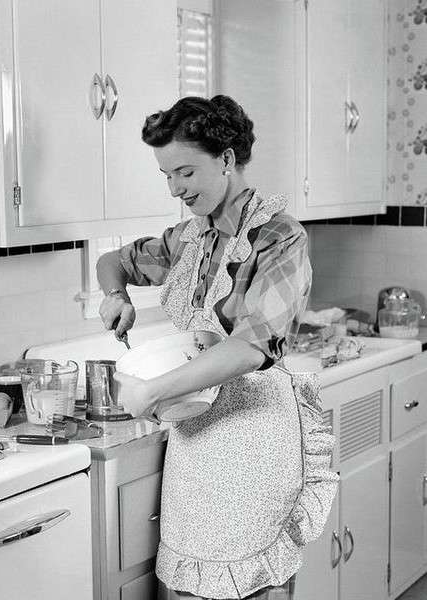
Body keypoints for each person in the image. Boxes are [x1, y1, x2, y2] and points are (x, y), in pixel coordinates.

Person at [96, 95, 338, 600]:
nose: (175, 188)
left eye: (185, 172)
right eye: (166, 175)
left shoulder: (279, 237)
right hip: (196, 439)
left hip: (256, 437)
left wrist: (152, 390)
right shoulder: (190, 239)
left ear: (226, 159)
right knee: (188, 583)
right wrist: (117, 295)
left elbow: (252, 349)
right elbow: (111, 261)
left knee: (250, 584)